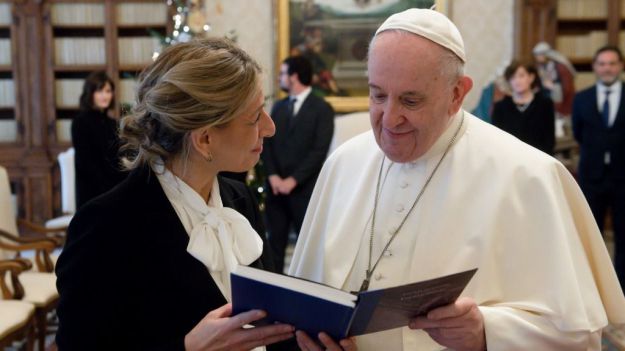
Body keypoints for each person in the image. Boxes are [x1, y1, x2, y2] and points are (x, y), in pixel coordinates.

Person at [289, 8, 625, 351]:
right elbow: (302, 301)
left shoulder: (528, 176)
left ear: (457, 94)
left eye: (410, 100)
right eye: (378, 94)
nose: (389, 119)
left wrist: (487, 332)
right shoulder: (344, 164)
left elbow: (578, 336)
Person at [55, 38, 295, 350]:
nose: (270, 127)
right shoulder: (104, 226)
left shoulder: (241, 199)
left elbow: (267, 328)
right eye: (255, 117)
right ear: (205, 139)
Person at [261, 55, 334, 273]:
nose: (280, 78)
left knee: (308, 250)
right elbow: (267, 144)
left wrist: (293, 181)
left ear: (294, 76)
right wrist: (273, 176)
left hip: (304, 191)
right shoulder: (279, 107)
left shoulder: (322, 109)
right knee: (273, 248)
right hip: (276, 191)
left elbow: (319, 151)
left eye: (283, 73)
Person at [572, 45, 625, 290]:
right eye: (602, 64)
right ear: (595, 67)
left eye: (612, 63)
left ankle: (621, 288)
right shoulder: (582, 98)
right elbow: (579, 134)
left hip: (623, 177)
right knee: (592, 237)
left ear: (621, 66)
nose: (607, 68)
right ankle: (594, 289)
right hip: (592, 177)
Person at [71, 71, 127, 209]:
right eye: (99, 91)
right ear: (90, 94)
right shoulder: (80, 122)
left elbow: (117, 158)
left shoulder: (112, 123)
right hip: (92, 193)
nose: (105, 96)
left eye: (108, 91)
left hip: (113, 189)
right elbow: (87, 164)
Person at [492, 60, 555, 154]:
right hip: (509, 159)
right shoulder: (500, 107)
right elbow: (497, 141)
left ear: (531, 77)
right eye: (513, 77)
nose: (517, 81)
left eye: (521, 76)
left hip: (538, 160)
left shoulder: (545, 104)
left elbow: (549, 140)